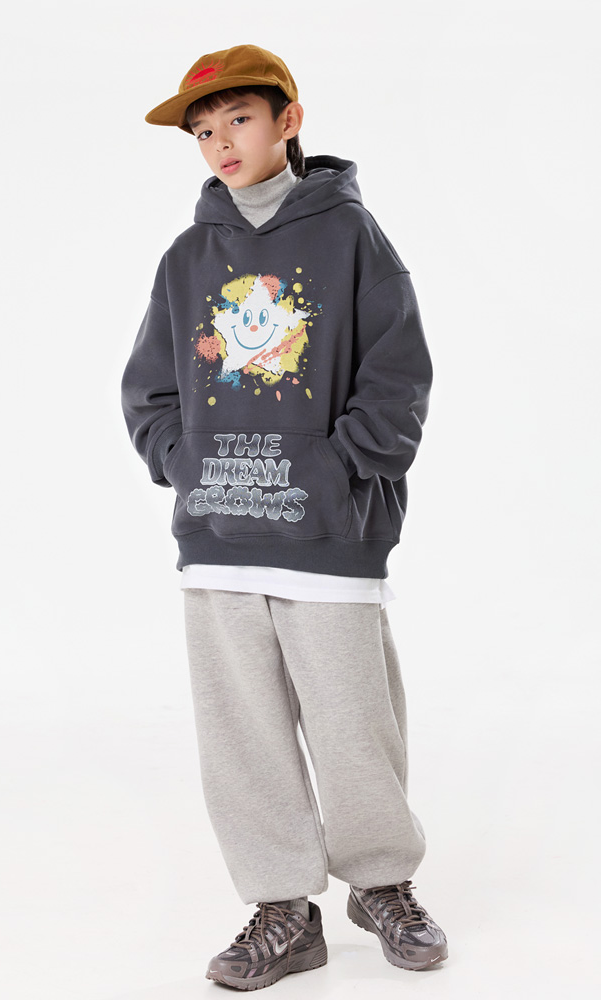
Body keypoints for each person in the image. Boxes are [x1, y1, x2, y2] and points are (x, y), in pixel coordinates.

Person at [121, 43, 447, 990]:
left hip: (329, 536)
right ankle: (282, 908)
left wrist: (338, 471)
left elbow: (398, 377)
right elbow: (148, 391)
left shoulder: (352, 238)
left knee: (354, 723)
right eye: (203, 131)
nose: (220, 142)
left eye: (239, 120)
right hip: (219, 538)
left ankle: (381, 883)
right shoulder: (187, 258)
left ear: (288, 121)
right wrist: (185, 467)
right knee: (243, 734)